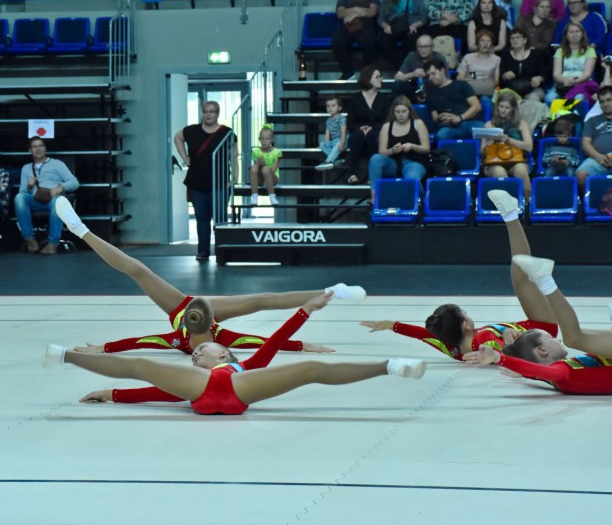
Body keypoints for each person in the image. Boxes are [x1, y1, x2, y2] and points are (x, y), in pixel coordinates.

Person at [54, 197, 366, 357]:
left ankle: (82, 232)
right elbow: (267, 343)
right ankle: (331, 291)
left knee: (139, 270)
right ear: (209, 316)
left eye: (196, 309)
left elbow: (136, 343)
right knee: (261, 300)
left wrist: (102, 349)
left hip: (175, 306)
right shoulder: (221, 337)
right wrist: (302, 345)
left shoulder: (177, 335)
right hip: (190, 309)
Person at [46, 292, 427, 415]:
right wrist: (113, 394)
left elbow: (275, 340)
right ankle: (64, 355)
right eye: (195, 353)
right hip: (206, 394)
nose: (196, 353)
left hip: (238, 389)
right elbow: (158, 392)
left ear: (224, 352)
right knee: (144, 366)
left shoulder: (245, 366)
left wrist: (305, 310)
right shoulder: (192, 379)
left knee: (310, 368)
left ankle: (390, 366)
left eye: (203, 350)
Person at [360, 190, 559, 360]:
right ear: (465, 325)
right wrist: (506, 341)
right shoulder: (483, 340)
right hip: (542, 329)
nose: (469, 315)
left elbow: (421, 334)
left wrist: (390, 325)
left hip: (536, 331)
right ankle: (510, 215)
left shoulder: (453, 349)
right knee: (521, 275)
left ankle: (511, 215)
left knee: (521, 274)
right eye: (465, 313)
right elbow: (504, 351)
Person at [464, 254, 612, 395]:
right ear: (542, 350)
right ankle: (545, 279)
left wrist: (520, 369)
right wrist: (499, 357)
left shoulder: (553, 375)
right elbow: (539, 371)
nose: (556, 337)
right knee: (574, 338)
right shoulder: (562, 374)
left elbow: (536, 371)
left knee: (597, 343)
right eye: (550, 337)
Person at [174, 100, 236, 262]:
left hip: (220, 181)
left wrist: (234, 178)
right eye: (206, 111)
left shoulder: (227, 132)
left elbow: (234, 158)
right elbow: (177, 138)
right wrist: (185, 158)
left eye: (213, 111)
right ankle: (203, 251)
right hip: (197, 182)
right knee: (202, 218)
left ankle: (222, 251)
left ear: (218, 114)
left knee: (220, 218)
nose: (209, 114)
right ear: (202, 113)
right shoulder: (191, 130)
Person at [13, 136, 80, 255]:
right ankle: (30, 240)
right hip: (35, 200)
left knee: (58, 203)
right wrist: (29, 186)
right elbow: (22, 193)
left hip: (53, 199)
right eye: (34, 147)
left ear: (45, 149)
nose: (37, 149)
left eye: (40, 146)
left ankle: (52, 245)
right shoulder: (26, 168)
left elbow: (75, 182)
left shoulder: (57, 164)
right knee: (19, 198)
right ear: (30, 150)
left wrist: (61, 187)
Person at [367, 96, 430, 197]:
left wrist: (412, 146)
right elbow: (382, 152)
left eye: (404, 111)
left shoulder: (418, 123)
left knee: (412, 178)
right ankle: (374, 196)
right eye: (397, 112)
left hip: (414, 162)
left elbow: (426, 149)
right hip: (394, 164)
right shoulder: (387, 126)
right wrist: (392, 150)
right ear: (393, 112)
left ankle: (421, 201)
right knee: (375, 159)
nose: (401, 115)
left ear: (409, 111)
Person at [480, 91, 533, 198]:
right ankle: (507, 207)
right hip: (494, 162)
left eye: (507, 108)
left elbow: (529, 147)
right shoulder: (489, 125)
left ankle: (528, 203)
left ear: (513, 108)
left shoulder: (521, 123)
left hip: (517, 160)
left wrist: (509, 140)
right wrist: (488, 144)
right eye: (501, 106)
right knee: (499, 172)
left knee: (521, 170)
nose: (503, 110)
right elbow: (482, 152)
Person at [331, 0, 381, 80]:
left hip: (366, 28)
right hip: (348, 27)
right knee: (337, 41)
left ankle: (367, 74)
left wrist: (352, 14)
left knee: (369, 41)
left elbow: (372, 12)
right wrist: (356, 10)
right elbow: (340, 13)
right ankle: (348, 72)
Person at [344, 66, 388, 184]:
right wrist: (361, 128)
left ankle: (372, 176)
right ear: (368, 79)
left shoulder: (384, 98)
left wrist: (372, 128)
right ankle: (352, 174)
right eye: (377, 77)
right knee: (357, 136)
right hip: (358, 131)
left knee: (373, 136)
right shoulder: (355, 98)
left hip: (377, 131)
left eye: (380, 77)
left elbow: (386, 121)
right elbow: (350, 122)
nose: (381, 79)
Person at [377, 0, 428, 67]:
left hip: (411, 27)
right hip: (393, 27)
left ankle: (405, 66)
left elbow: (423, 16)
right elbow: (381, 17)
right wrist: (385, 25)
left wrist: (416, 24)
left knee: (412, 41)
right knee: (384, 42)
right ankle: (400, 66)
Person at [425, 59, 484, 141]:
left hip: (468, 121)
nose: (430, 78)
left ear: (442, 70)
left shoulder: (461, 85)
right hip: (449, 126)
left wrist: (460, 118)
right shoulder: (430, 95)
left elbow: (477, 106)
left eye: (433, 73)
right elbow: (435, 118)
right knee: (441, 135)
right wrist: (441, 117)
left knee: (485, 130)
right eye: (428, 76)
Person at [545, 22, 598, 105]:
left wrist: (574, 82)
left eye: (577, 31)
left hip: (582, 83)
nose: (574, 34)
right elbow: (556, 74)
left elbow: (587, 74)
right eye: (571, 32)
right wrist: (564, 80)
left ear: (582, 34)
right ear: (566, 35)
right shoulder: (560, 51)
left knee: (578, 98)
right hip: (563, 83)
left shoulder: (590, 50)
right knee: (549, 98)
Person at [391, 34, 445, 107]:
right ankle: (400, 110)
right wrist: (413, 74)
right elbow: (397, 77)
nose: (423, 50)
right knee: (398, 84)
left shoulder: (438, 58)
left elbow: (446, 81)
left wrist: (431, 75)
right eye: (420, 47)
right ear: (416, 47)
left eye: (426, 46)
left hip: (434, 92)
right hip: (414, 92)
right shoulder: (411, 56)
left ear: (432, 47)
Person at [499, 26, 550, 102]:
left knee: (533, 98)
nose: (515, 40)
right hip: (511, 89)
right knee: (507, 100)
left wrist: (539, 78)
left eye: (518, 37)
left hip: (533, 89)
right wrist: (505, 76)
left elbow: (545, 74)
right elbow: (501, 78)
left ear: (525, 40)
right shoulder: (506, 55)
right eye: (512, 38)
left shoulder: (536, 55)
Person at [457, 29, 501, 98]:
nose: (486, 43)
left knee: (485, 100)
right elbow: (460, 78)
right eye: (483, 40)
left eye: (488, 41)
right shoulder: (468, 57)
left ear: (491, 44)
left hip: (487, 92)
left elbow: (496, 82)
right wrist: (474, 80)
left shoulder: (496, 59)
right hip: (469, 90)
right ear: (478, 43)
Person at [248, 123, 282, 206]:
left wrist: (264, 164)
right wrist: (259, 164)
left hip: (273, 177)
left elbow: (273, 170)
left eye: (267, 139)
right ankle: (254, 197)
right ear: (259, 139)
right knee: (253, 168)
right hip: (260, 179)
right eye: (262, 139)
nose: (264, 141)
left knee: (265, 169)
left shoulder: (277, 152)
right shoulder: (256, 151)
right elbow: (255, 170)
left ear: (272, 140)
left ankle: (272, 197)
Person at [316, 95, 347, 171]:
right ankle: (337, 160)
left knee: (337, 146)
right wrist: (325, 144)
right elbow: (327, 134)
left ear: (339, 108)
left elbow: (344, 131)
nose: (330, 108)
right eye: (328, 106)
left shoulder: (341, 118)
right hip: (334, 141)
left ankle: (327, 162)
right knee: (322, 144)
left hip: (342, 140)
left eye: (333, 106)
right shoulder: (328, 121)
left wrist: (342, 143)